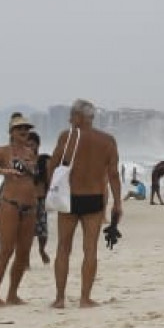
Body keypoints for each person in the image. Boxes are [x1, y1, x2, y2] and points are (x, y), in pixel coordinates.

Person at [50, 99, 122, 308]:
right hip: (94, 199)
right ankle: (85, 298)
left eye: (71, 116)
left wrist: (48, 191)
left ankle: (60, 298)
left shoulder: (67, 137)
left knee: (63, 247)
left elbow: (54, 165)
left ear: (80, 117)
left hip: (69, 198)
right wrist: (117, 203)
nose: (69, 120)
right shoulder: (108, 141)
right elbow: (114, 174)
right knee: (90, 249)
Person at [0, 113, 42, 306]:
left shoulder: (31, 153)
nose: (24, 131)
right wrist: (3, 171)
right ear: (11, 132)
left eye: (27, 129)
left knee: (23, 253)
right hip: (10, 206)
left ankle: (13, 294)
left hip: (31, 208)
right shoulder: (3, 152)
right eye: (19, 128)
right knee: (6, 251)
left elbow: (34, 179)